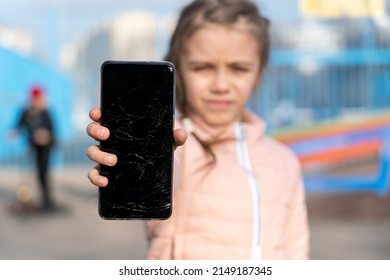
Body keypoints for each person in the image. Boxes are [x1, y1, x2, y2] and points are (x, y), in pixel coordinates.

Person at [86, 0, 309, 259]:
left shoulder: (285, 162)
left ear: (259, 72)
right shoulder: (175, 144)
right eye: (202, 67)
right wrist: (134, 162)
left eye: (239, 68)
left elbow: (297, 252)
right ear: (177, 71)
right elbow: (164, 176)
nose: (221, 84)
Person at [13, 85, 56, 211]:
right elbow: (19, 125)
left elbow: (51, 131)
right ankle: (31, 198)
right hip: (33, 146)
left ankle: (47, 200)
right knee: (34, 173)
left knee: (43, 172)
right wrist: (15, 132)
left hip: (45, 148)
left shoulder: (45, 112)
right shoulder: (27, 111)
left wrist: (45, 136)